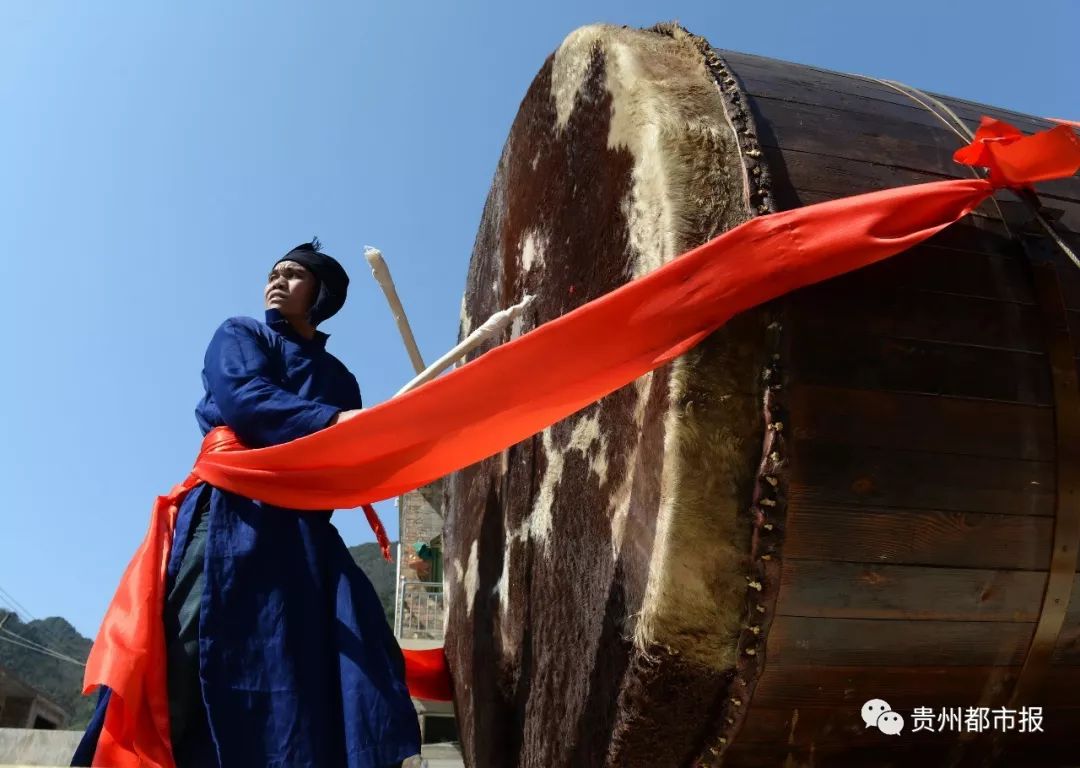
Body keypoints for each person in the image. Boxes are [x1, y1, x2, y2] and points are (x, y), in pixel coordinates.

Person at [73, 240, 424, 768]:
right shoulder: (241, 334)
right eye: (273, 273)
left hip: (304, 528)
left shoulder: (341, 380)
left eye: (293, 274)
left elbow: (345, 459)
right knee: (188, 649)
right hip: (232, 511)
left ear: (321, 294)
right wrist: (336, 422)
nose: (277, 281)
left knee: (358, 658)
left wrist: (406, 434)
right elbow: (245, 400)